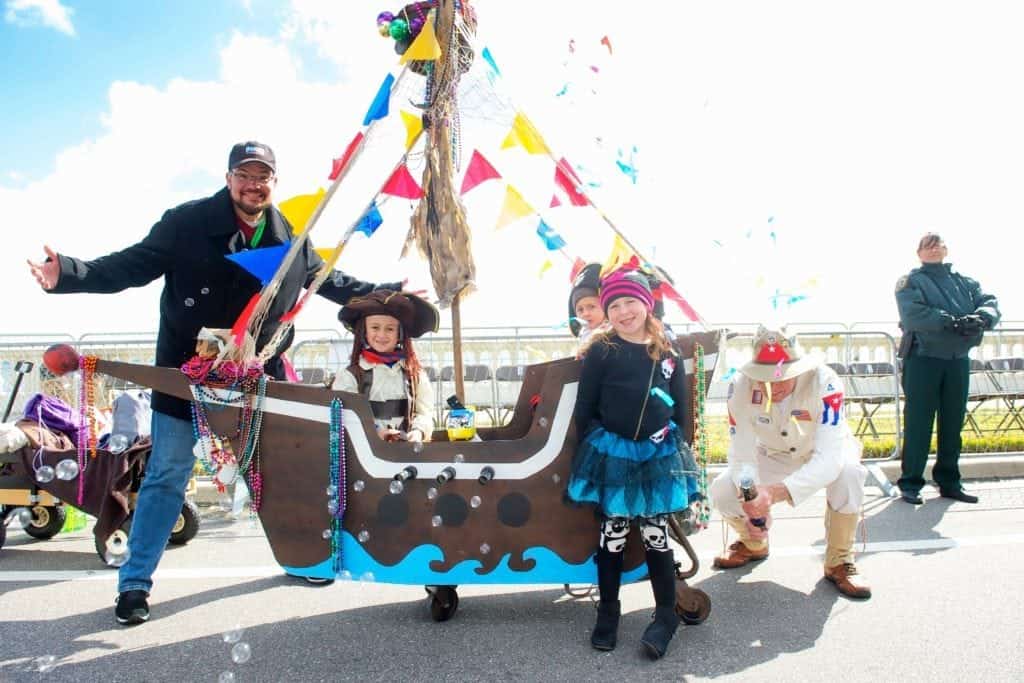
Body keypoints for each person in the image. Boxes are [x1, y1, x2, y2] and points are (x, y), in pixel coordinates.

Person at [26, 141, 403, 626]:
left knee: (276, 473)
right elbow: (131, 265)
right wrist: (70, 275)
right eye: (244, 175)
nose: (254, 184)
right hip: (186, 376)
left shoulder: (289, 234)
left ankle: (301, 558)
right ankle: (135, 583)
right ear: (229, 179)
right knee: (166, 475)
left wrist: (388, 294)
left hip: (253, 381)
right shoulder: (187, 223)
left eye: (262, 176)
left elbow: (330, 281)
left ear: (273, 182)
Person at [566, 269, 700, 659]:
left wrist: (679, 447)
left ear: (647, 304)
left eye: (631, 302)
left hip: (657, 455)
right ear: (608, 311)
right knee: (613, 535)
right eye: (615, 305)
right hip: (614, 454)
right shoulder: (601, 350)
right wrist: (597, 444)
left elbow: (681, 406)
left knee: (657, 535)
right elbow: (585, 406)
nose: (625, 311)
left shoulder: (667, 350)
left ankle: (664, 615)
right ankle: (608, 611)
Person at [709, 326, 871, 600]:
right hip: (772, 453)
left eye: (783, 377)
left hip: (821, 450)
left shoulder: (826, 381)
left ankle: (839, 561)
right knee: (724, 489)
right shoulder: (739, 386)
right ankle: (753, 541)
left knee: (849, 474)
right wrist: (752, 500)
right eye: (765, 379)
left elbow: (830, 460)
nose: (774, 387)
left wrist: (773, 494)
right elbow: (742, 453)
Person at [895, 233, 1000, 505]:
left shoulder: (964, 282)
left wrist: (981, 318)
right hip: (923, 358)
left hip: (957, 359)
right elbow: (912, 313)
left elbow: (989, 301)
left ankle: (950, 481)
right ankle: (910, 483)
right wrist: (950, 323)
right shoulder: (911, 282)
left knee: (953, 422)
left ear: (946, 249)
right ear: (918, 253)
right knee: (919, 422)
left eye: (936, 244)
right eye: (926, 246)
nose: (932, 249)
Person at [332, 289, 439, 443]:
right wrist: (376, 432)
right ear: (365, 331)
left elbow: (425, 412)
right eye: (375, 327)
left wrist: (418, 432)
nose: (382, 335)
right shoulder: (351, 376)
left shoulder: (415, 374)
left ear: (400, 333)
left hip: (407, 452)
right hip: (366, 453)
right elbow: (346, 416)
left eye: (390, 329)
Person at [567, 262, 609, 350]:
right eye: (580, 310)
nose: (585, 314)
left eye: (591, 307)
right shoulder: (584, 334)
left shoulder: (612, 330)